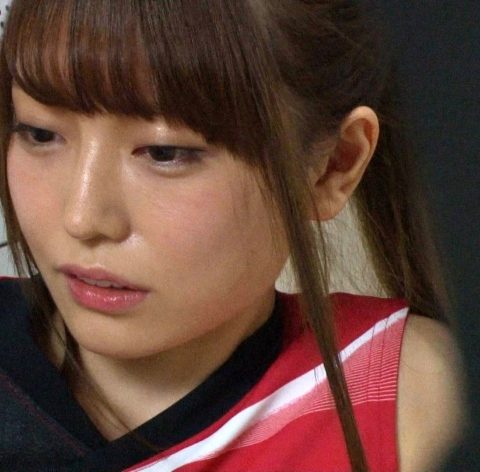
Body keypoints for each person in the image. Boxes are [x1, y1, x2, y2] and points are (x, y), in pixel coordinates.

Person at [0, 1, 465, 471]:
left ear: (332, 166)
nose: (82, 218)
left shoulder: (405, 394)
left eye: (164, 153)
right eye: (39, 134)